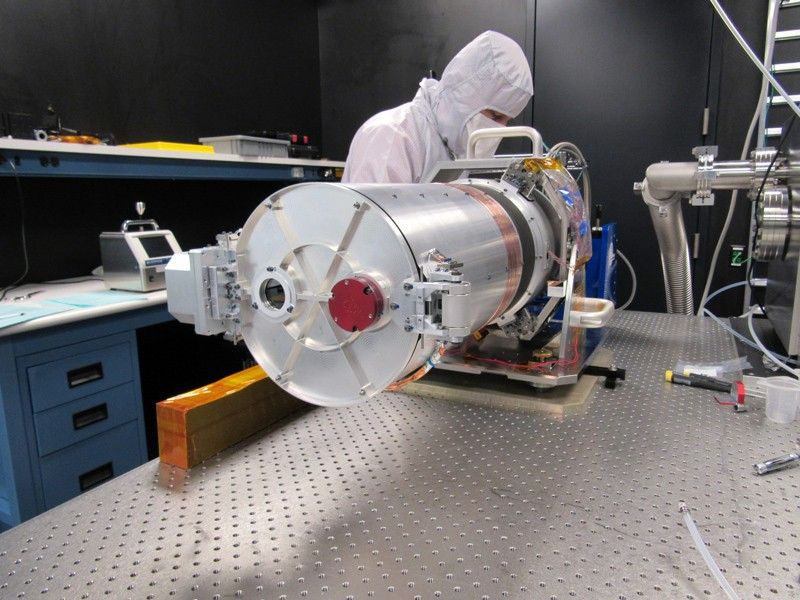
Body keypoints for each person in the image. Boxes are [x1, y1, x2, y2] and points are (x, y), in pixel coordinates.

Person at [341, 30, 533, 184]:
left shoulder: (455, 151)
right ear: (464, 97)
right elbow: (375, 227)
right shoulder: (393, 136)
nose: (499, 130)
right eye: (495, 116)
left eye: (507, 122)